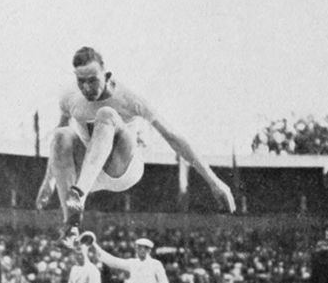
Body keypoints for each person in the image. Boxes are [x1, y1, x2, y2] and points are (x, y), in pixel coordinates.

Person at [36, 46, 236, 243]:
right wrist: (49, 182)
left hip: (123, 168)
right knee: (61, 134)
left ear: (105, 73)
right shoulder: (69, 97)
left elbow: (173, 136)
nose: (87, 88)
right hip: (92, 173)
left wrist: (214, 181)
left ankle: (78, 194)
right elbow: (58, 146)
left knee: (106, 114)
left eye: (93, 80)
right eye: (81, 82)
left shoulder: (129, 97)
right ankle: (71, 226)